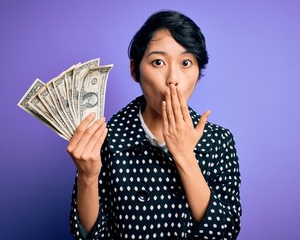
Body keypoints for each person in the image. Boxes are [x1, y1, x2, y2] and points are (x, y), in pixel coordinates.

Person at [67, 10, 241, 240]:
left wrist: (184, 155)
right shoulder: (103, 139)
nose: (173, 78)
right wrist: (87, 177)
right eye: (158, 62)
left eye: (186, 62)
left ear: (198, 73)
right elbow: (90, 237)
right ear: (134, 70)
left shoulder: (219, 141)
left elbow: (225, 233)